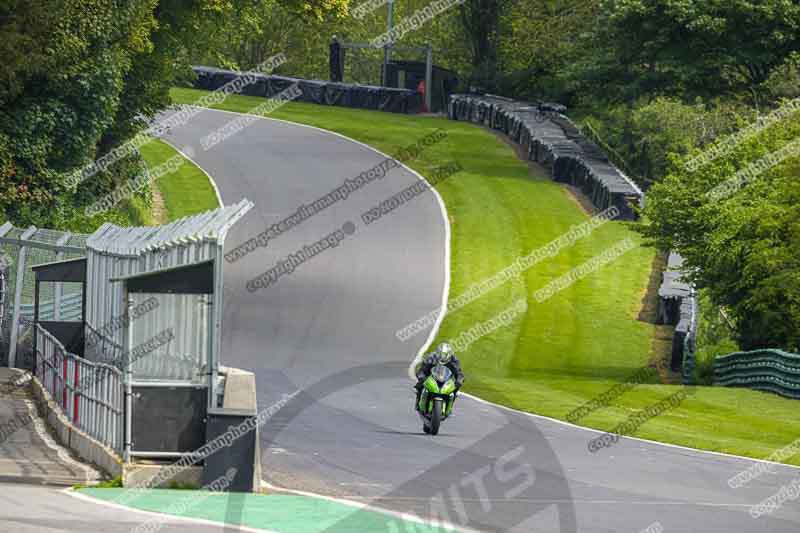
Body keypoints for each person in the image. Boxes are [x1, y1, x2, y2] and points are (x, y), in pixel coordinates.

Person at [414, 342, 465, 411]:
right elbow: (421, 369)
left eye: (445, 355)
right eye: (441, 355)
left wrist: (459, 380)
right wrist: (422, 377)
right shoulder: (430, 357)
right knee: (420, 385)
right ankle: (418, 401)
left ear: (449, 355)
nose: (442, 358)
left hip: (446, 378)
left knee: (456, 389)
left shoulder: (454, 360)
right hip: (431, 376)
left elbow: (459, 372)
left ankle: (450, 406)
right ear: (437, 353)